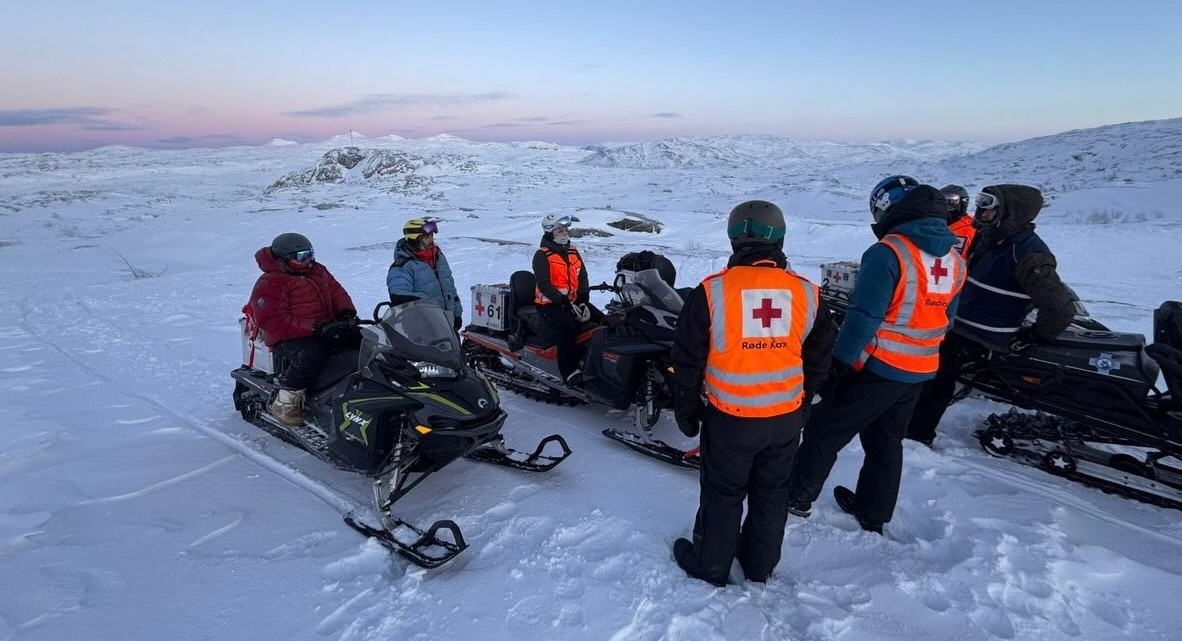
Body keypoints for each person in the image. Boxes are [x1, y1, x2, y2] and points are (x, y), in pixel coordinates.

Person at [785, 177, 966, 535]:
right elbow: (947, 318)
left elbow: (864, 316)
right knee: (886, 440)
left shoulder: (889, 252)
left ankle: (795, 497)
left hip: (878, 366)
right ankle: (873, 511)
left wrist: (838, 364)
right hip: (921, 367)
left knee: (825, 429)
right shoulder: (955, 257)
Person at [670, 200, 836, 586]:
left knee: (723, 494)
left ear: (734, 238)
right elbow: (819, 360)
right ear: (778, 238)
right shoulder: (808, 294)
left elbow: (687, 360)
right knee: (772, 492)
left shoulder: (711, 293)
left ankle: (710, 565)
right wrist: (803, 405)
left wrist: (686, 409)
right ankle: (759, 565)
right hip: (784, 420)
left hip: (731, 420)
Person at [905, 184, 1076, 446]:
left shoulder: (1029, 252)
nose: (981, 210)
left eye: (989, 205)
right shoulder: (993, 239)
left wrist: (1034, 335)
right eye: (981, 203)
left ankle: (917, 434)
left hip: (984, 334)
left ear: (1010, 212)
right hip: (963, 321)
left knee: (937, 373)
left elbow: (1060, 307)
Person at [245, 232, 359, 427]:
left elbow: (337, 292)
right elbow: (273, 320)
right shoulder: (270, 282)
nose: (308, 261)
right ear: (284, 259)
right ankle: (285, 400)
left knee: (365, 340)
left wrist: (346, 312)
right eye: (301, 257)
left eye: (310, 254)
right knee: (313, 354)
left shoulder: (317, 270)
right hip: (289, 337)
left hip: (326, 328)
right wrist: (314, 328)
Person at [532, 213, 595, 387]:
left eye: (565, 229)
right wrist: (562, 301)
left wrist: (583, 298)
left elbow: (582, 275)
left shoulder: (572, 250)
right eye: (560, 230)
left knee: (599, 320)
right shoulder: (542, 255)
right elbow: (543, 284)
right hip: (549, 304)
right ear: (550, 232)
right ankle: (568, 371)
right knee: (568, 326)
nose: (564, 233)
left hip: (573, 301)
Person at [387, 218, 463, 330]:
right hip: (422, 328)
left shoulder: (439, 257)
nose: (431, 239)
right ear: (414, 240)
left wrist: (457, 314)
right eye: (426, 237)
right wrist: (428, 304)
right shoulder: (403, 266)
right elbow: (398, 293)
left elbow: (450, 288)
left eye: (432, 235)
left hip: (447, 323)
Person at [941, 184, 977, 258]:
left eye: (951, 200)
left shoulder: (972, 228)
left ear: (963, 202)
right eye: (941, 200)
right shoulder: (934, 223)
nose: (945, 205)